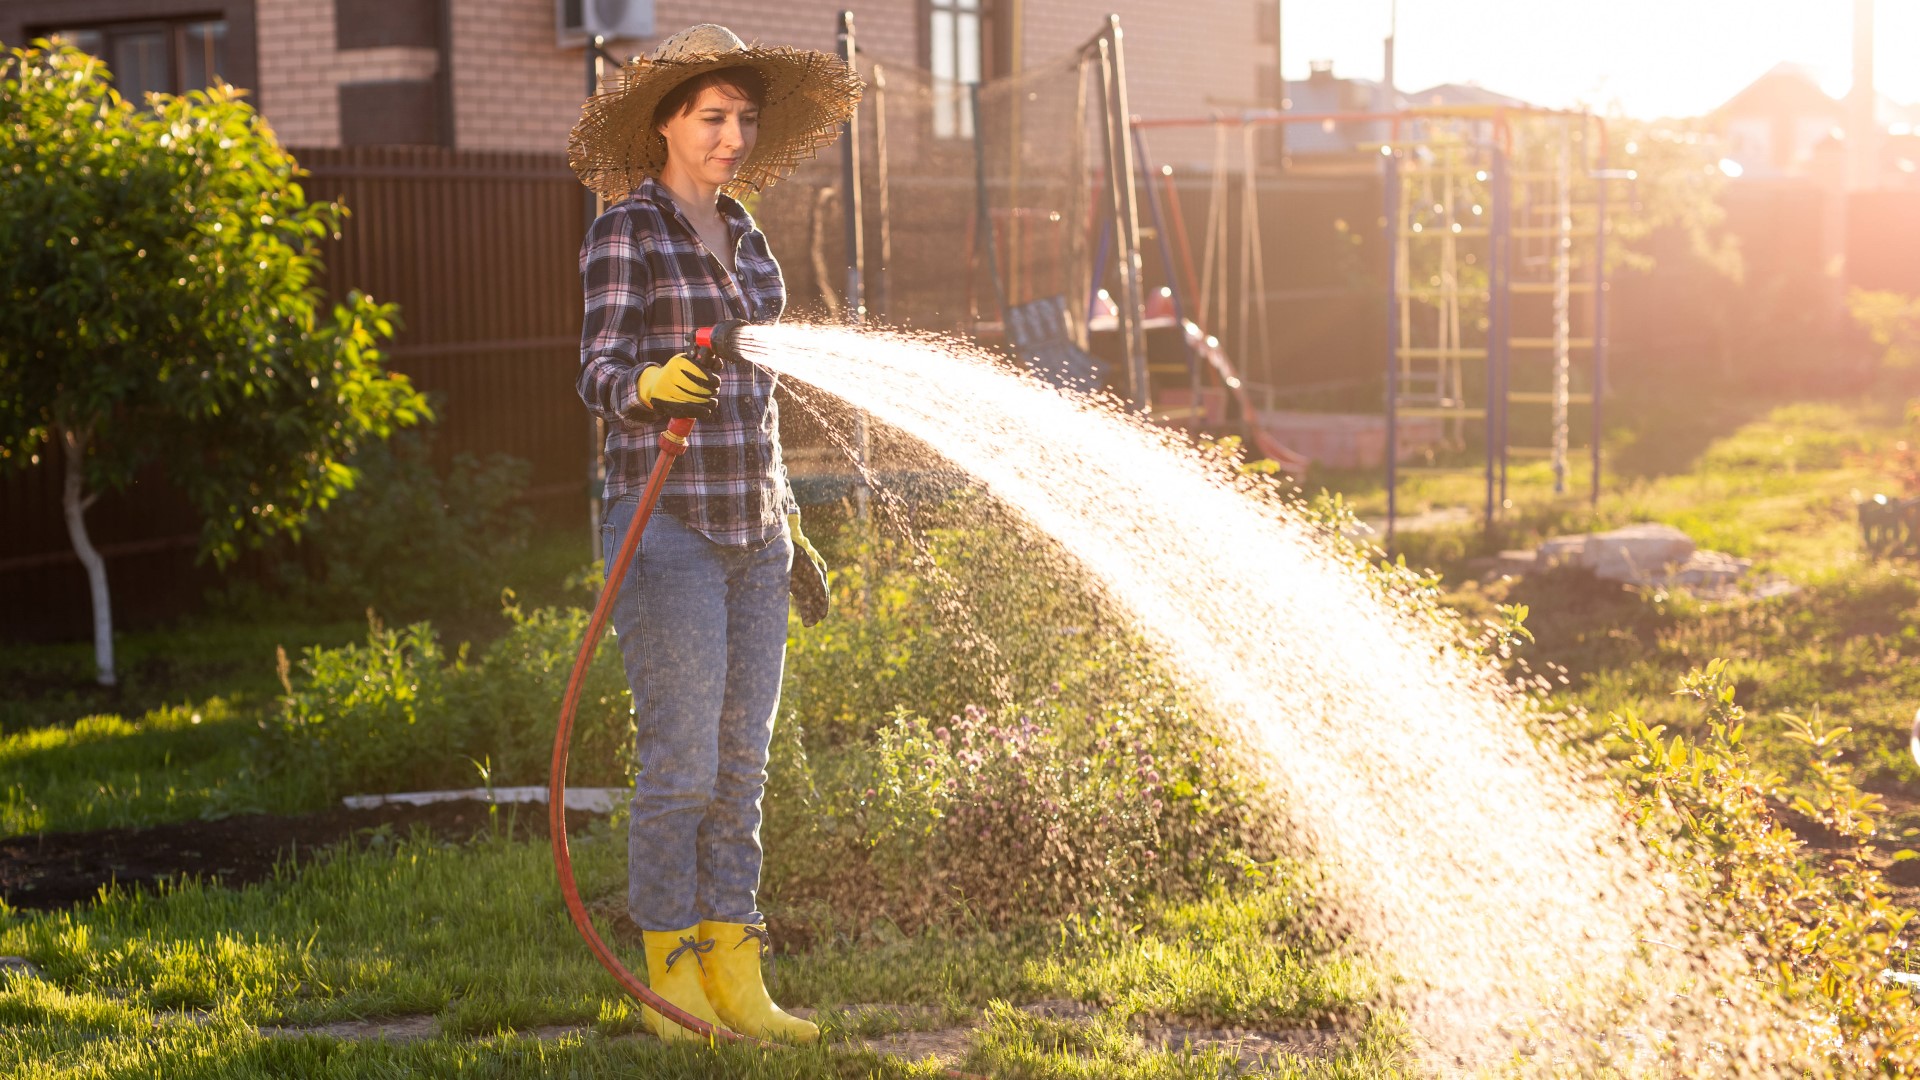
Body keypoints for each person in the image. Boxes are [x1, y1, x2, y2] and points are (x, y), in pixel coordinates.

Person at [568, 24, 860, 1044]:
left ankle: (740, 975)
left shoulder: (751, 238)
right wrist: (647, 385)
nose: (732, 136)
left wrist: (794, 527)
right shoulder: (626, 231)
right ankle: (669, 976)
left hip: (753, 527)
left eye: (743, 119)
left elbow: (761, 409)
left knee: (743, 767)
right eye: (712, 118)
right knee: (682, 765)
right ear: (666, 122)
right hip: (667, 526)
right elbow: (597, 372)